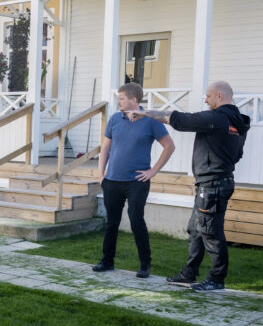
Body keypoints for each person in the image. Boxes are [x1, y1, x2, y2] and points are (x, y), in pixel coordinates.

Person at [127, 80, 250, 292]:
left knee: (211, 232)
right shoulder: (237, 124)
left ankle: (217, 279)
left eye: (209, 96)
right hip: (214, 182)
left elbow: (180, 120)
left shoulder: (217, 118)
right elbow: (237, 155)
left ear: (220, 97)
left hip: (213, 184)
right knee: (196, 229)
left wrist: (145, 112)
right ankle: (188, 274)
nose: (205, 100)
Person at [94, 82, 175, 278]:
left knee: (136, 220)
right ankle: (107, 262)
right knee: (111, 223)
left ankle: (145, 264)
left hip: (136, 182)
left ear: (134, 100)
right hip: (112, 180)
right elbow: (105, 148)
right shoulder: (115, 119)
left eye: (122, 98)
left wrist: (152, 171)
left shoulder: (151, 121)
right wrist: (101, 173)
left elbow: (169, 146)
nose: (119, 102)